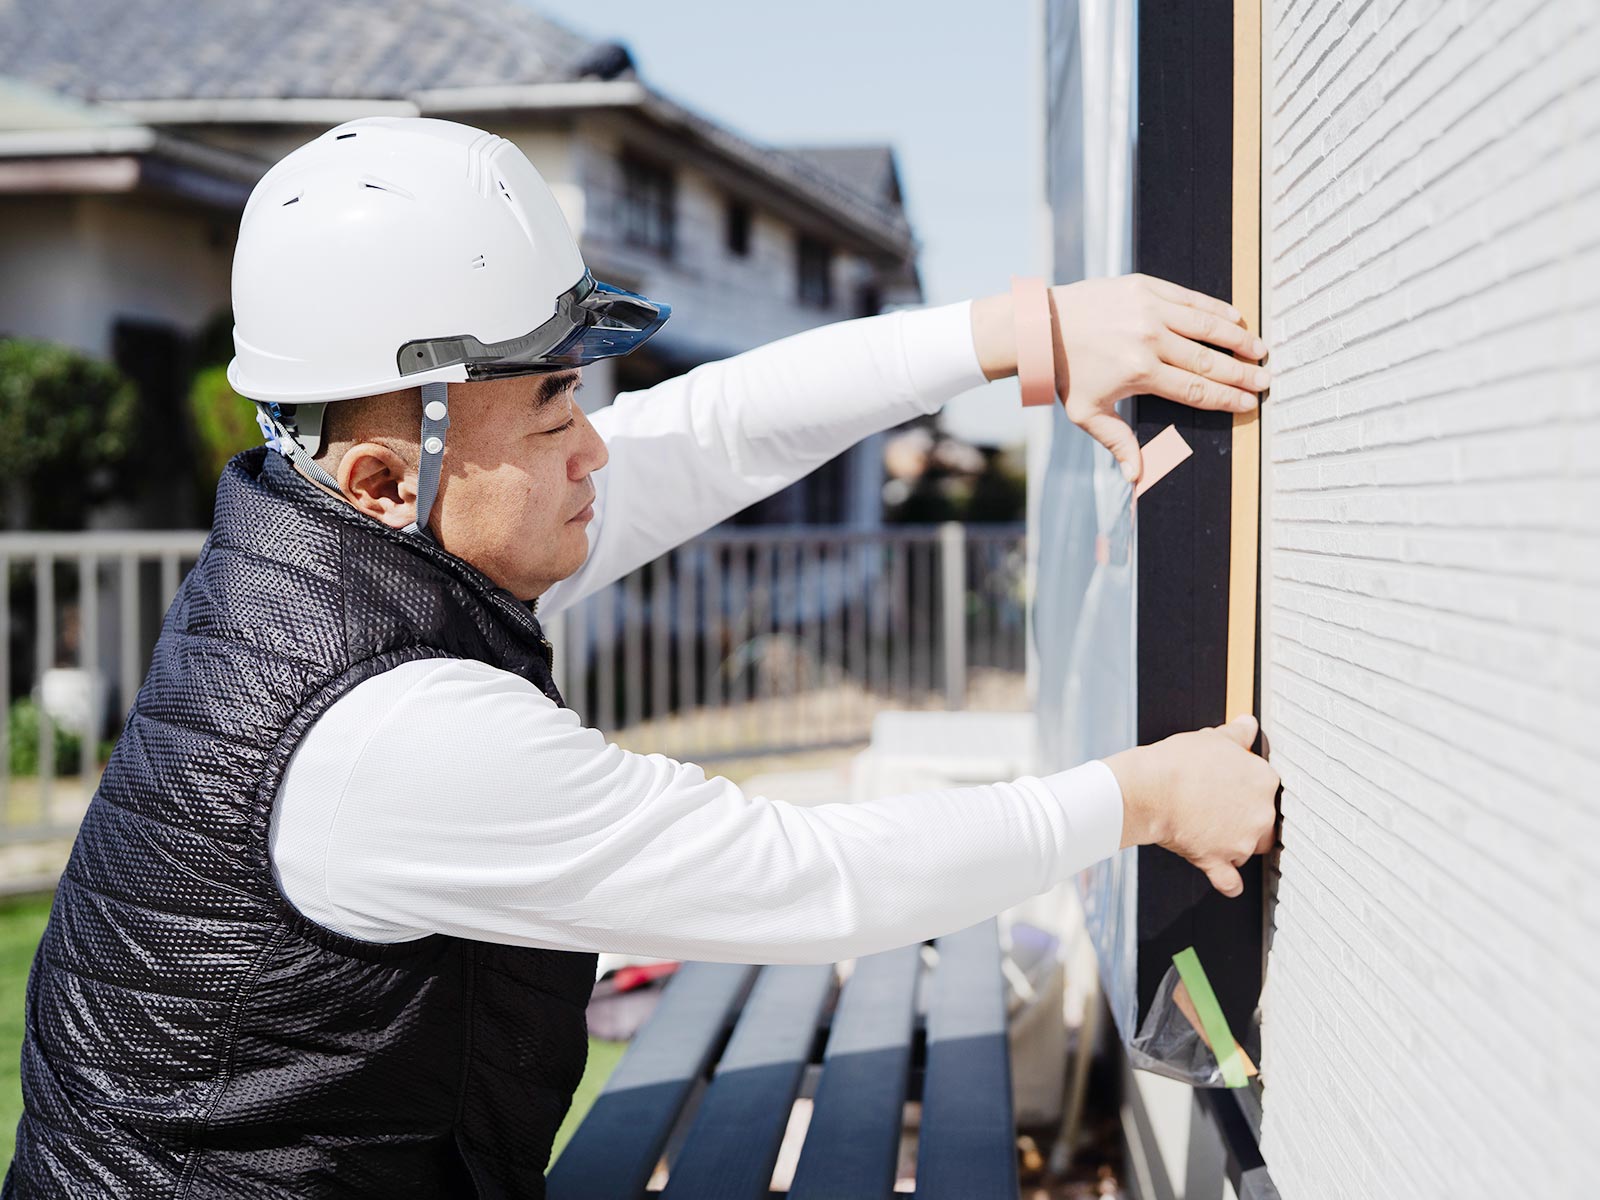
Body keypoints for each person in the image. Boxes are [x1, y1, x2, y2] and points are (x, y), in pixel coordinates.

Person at [3, 117, 1278, 1199]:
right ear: (391, 476)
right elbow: (808, 879)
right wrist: (1146, 797)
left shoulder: (345, 543)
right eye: (554, 407)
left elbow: (710, 429)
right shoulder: (384, 733)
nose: (595, 448)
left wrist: (1029, 330)